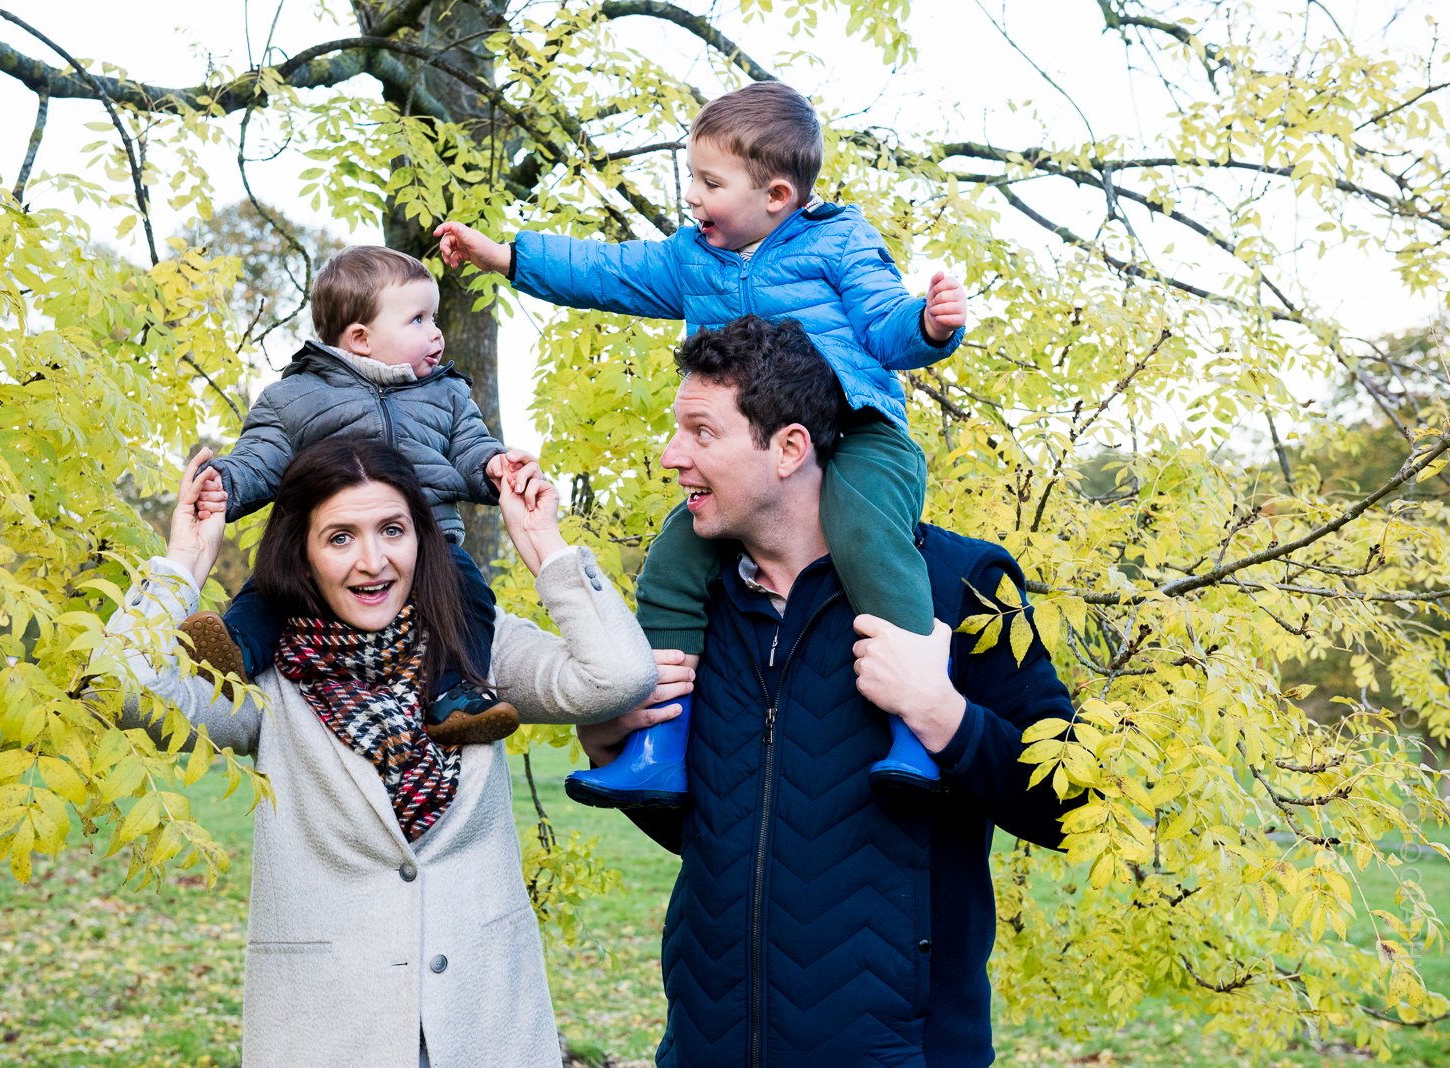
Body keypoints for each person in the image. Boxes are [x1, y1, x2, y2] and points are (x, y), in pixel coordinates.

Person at [436, 80, 968, 804]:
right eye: (691, 176)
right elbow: (609, 271)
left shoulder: (839, 242)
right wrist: (506, 257)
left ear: (777, 194)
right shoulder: (696, 259)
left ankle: (914, 726)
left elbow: (882, 323)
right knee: (674, 560)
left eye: (710, 182)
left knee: (866, 536)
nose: (692, 196)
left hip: (856, 431)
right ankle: (659, 743)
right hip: (751, 455)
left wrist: (931, 328)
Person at [577, 317, 1078, 1066]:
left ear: (789, 448)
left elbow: (1073, 805)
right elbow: (730, 842)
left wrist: (945, 717)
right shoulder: (693, 608)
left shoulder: (960, 585)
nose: (671, 456)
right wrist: (612, 740)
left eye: (701, 432)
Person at [107, 436, 656, 1068]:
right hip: (330, 1033)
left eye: (392, 530)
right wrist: (183, 562)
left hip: (484, 1028)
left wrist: (543, 547)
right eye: (340, 537)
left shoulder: (477, 646)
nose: (373, 561)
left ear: (421, 539)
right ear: (303, 554)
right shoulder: (265, 677)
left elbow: (617, 676)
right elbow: (122, 691)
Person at [185, 245, 539, 745]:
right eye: (418, 319)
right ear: (361, 338)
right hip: (324, 551)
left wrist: (494, 467)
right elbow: (259, 455)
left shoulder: (447, 394)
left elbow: (470, 448)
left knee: (469, 592)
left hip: (427, 544)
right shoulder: (295, 397)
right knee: (271, 585)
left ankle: (454, 693)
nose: (436, 332)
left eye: (433, 317)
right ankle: (236, 651)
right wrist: (226, 482)